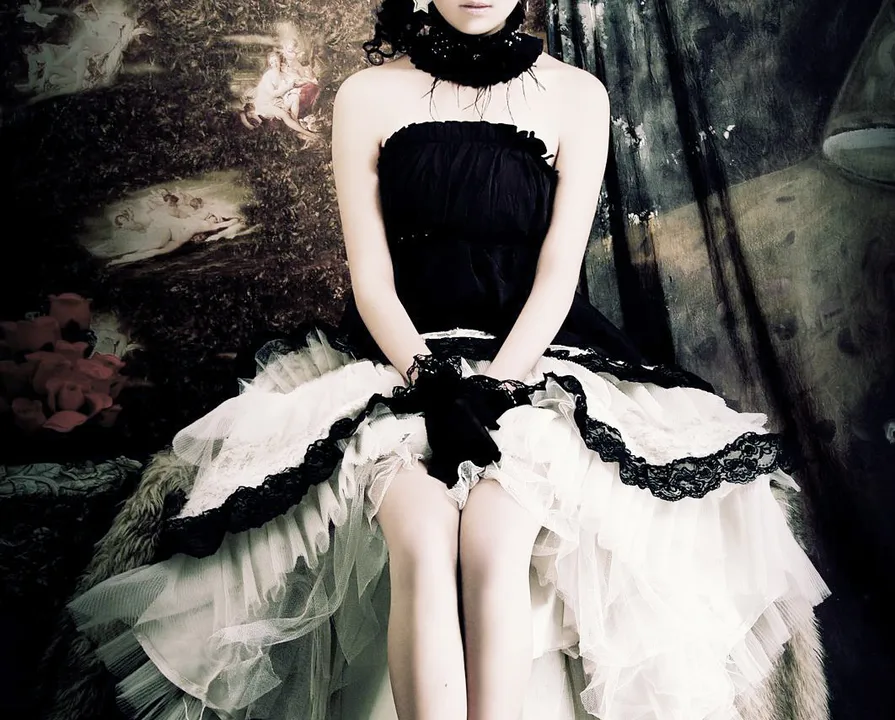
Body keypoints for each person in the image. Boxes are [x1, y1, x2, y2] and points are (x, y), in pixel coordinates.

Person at [67, 1, 830, 719]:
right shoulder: (369, 94)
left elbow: (558, 274)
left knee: (495, 535)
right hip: (395, 361)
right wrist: (431, 384)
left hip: (535, 360)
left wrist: (495, 389)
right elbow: (370, 279)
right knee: (422, 532)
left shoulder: (577, 95)